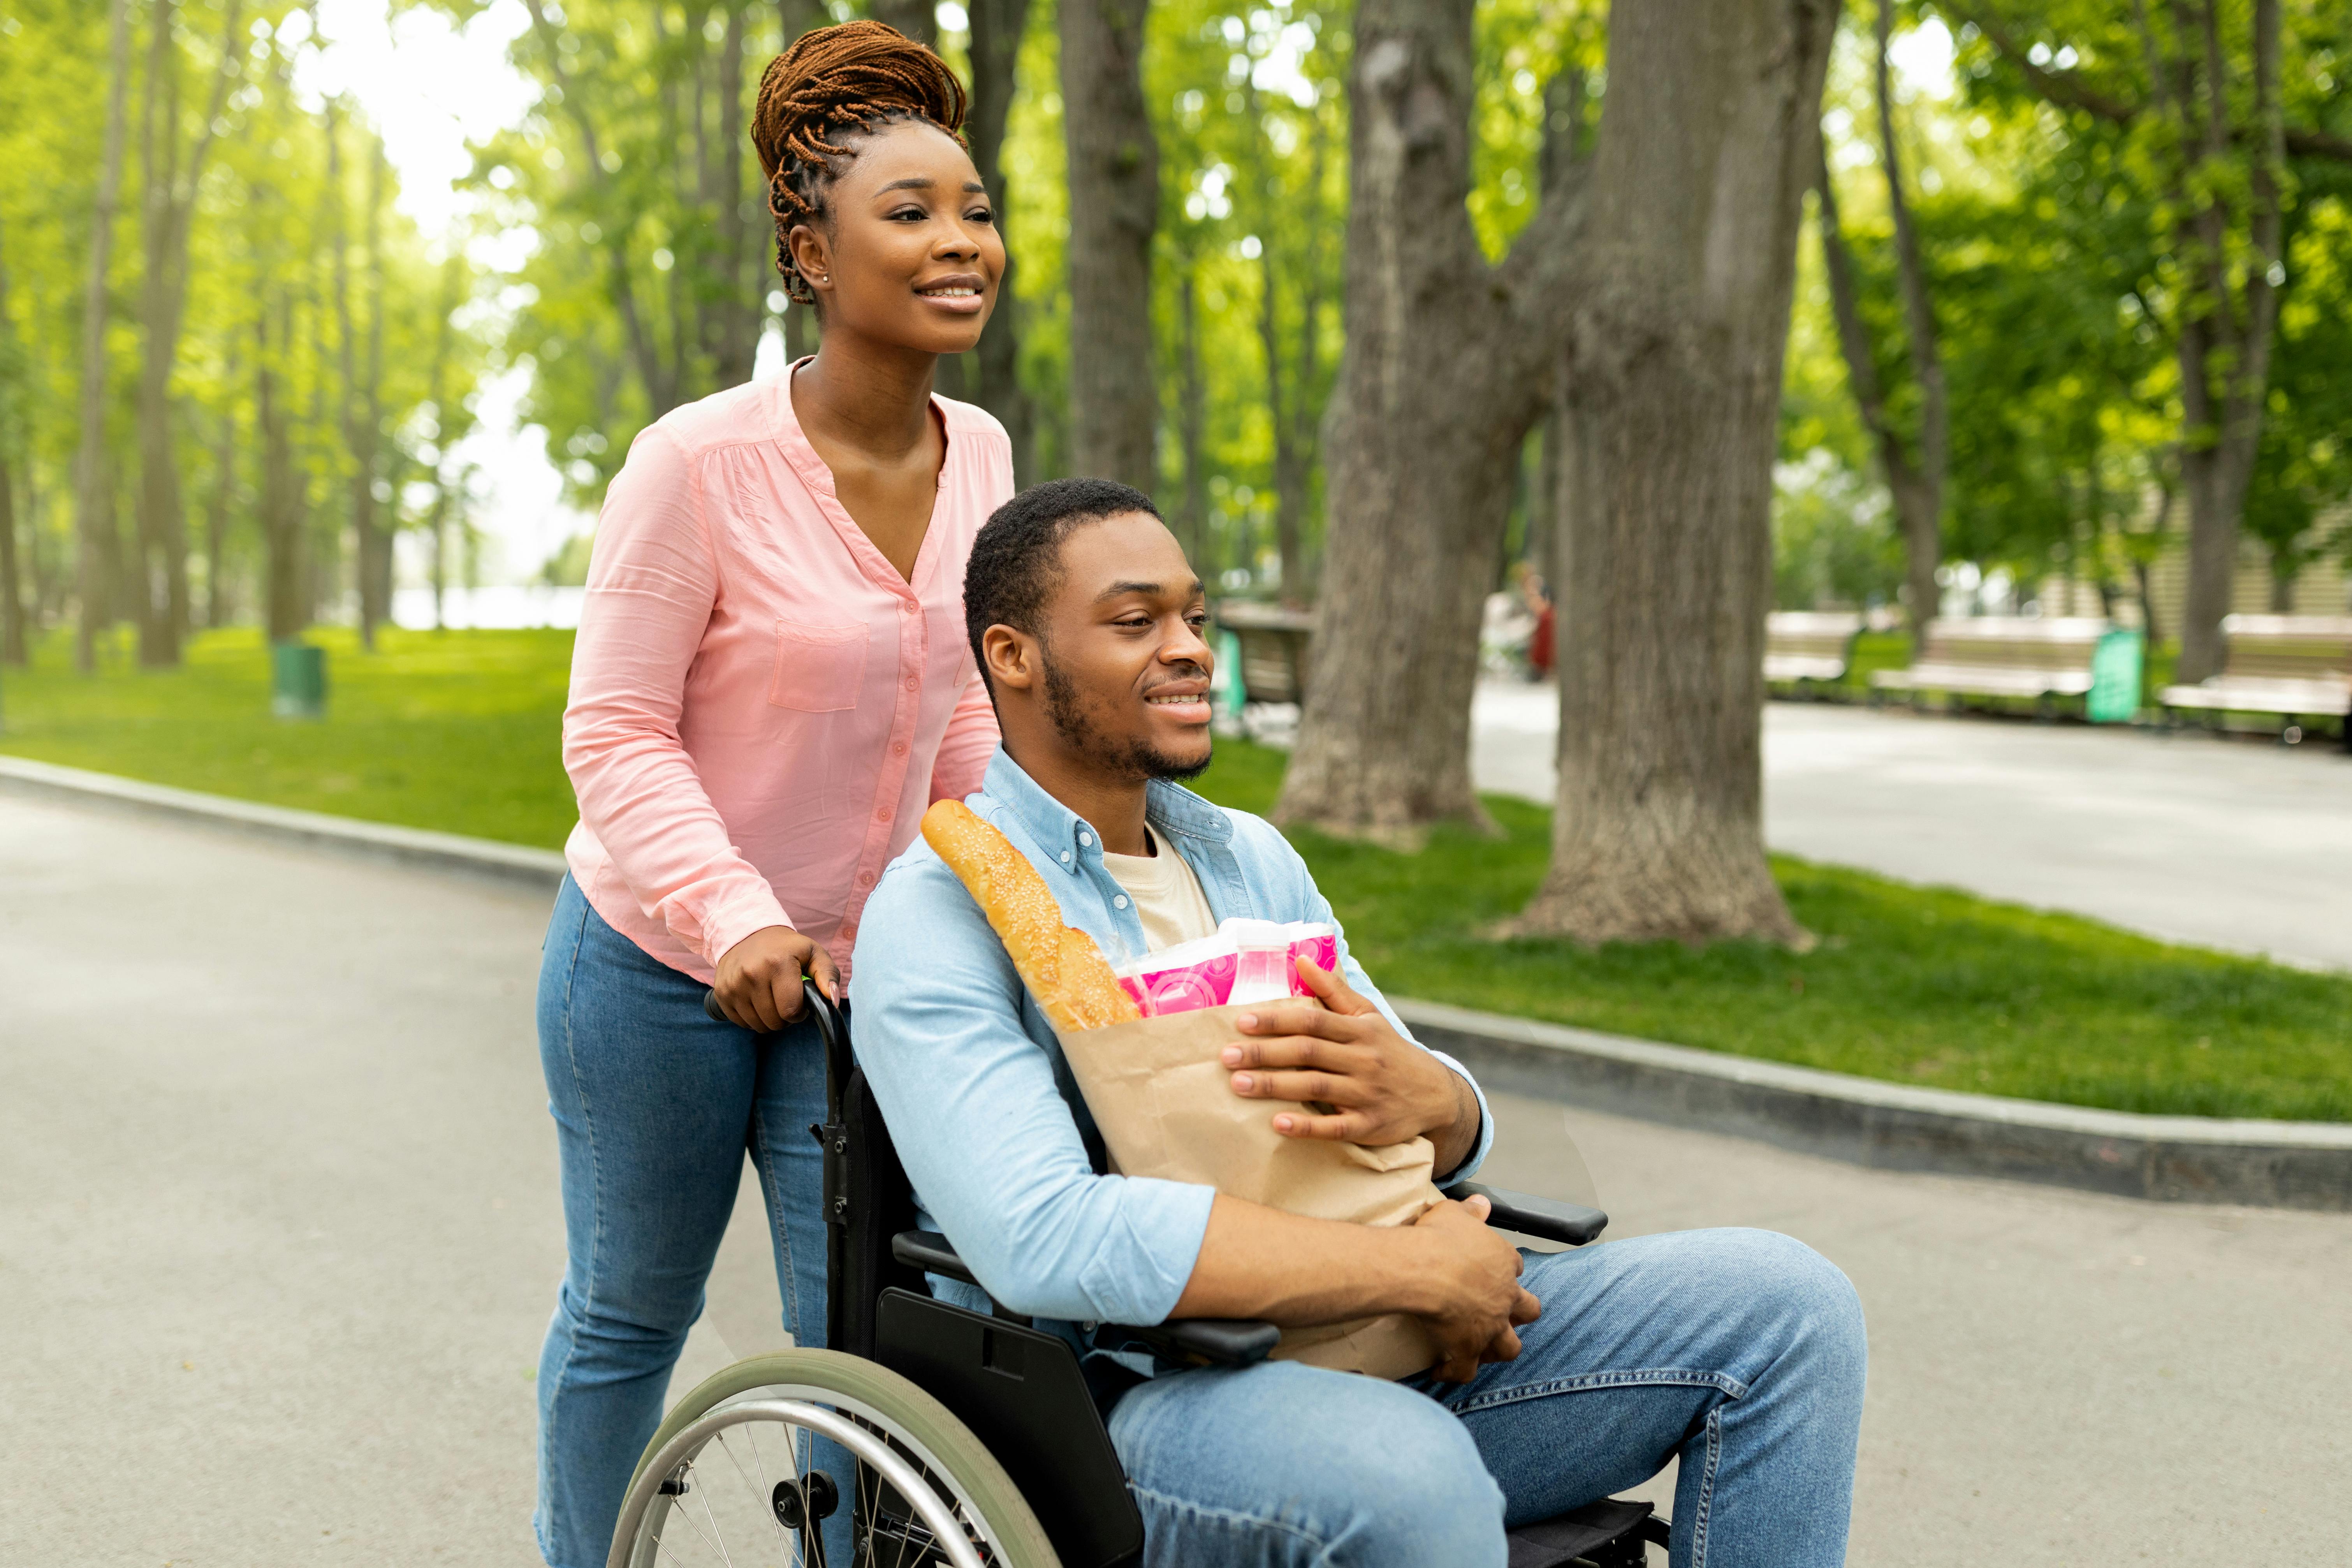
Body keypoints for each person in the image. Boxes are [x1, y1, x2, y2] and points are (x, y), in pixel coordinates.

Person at [850, 479, 1868, 1568]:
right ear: (1012, 656)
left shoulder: (1244, 857)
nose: (1190, 647)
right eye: (1136, 621)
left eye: (1194, 616)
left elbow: (1434, 1116)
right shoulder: (939, 911)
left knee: (1789, 1307)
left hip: (1403, 1343)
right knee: (1407, 1478)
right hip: (1145, 1402)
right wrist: (1416, 1273)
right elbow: (1042, 1236)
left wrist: (1439, 1100)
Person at [531, 23, 1011, 1566]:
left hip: (861, 986)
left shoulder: (984, 453)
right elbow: (611, 730)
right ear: (811, 251)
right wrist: (735, 911)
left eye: (975, 208)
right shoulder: (698, 464)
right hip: (659, 963)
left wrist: (1013, 903)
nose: (960, 242)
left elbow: (958, 726)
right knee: (628, 1310)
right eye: (912, 212)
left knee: (865, 1329)